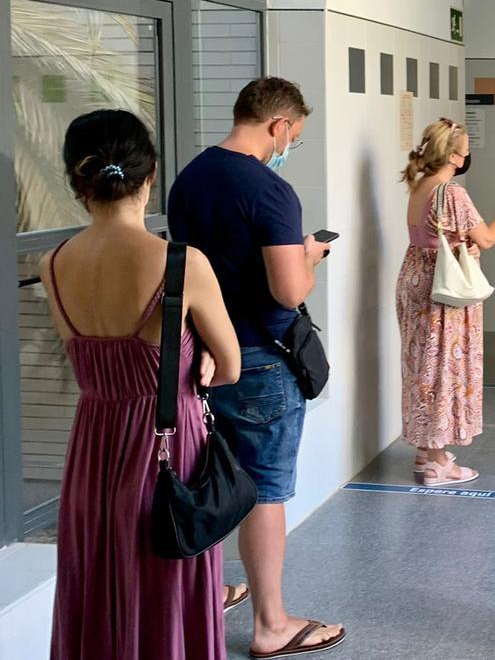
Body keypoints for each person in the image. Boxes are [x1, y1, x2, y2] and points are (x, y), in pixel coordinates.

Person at [47, 110, 240, 660]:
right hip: (166, 451)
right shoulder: (182, 263)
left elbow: (95, 361)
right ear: (150, 175)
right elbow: (228, 367)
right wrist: (196, 357)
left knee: (96, 588)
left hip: (92, 453)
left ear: (76, 182)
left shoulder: (55, 262)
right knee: (163, 592)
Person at [168, 77, 347, 658]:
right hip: (261, 362)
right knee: (265, 491)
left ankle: (209, 590)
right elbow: (287, 290)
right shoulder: (271, 190)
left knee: (207, 473)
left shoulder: (190, 178)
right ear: (281, 126)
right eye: (295, 132)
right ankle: (272, 624)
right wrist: (310, 257)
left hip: (201, 357)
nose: (290, 143)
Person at [399, 117, 495, 484]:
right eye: (465, 148)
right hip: (445, 289)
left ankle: (425, 447)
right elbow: (485, 240)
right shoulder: (453, 193)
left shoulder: (419, 186)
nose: (468, 154)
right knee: (443, 369)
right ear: (452, 155)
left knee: (421, 366)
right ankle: (438, 461)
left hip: (415, 279)